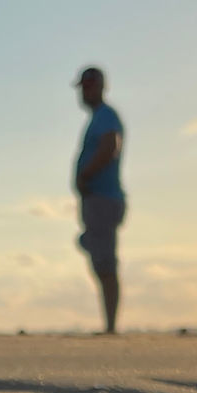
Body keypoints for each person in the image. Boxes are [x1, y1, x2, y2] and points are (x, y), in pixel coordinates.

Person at [72, 66, 125, 334]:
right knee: (96, 252)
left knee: (105, 261)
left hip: (103, 198)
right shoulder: (97, 117)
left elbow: (110, 146)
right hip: (96, 200)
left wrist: (86, 174)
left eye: (87, 86)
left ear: (98, 86)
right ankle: (110, 324)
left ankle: (111, 326)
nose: (83, 92)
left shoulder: (106, 116)